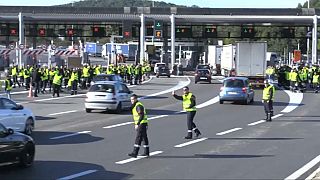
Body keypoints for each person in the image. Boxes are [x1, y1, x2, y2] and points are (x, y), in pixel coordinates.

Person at [128, 94, 150, 158]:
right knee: (144, 137)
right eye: (131, 100)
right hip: (143, 123)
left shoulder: (138, 106)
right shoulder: (135, 105)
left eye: (133, 99)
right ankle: (146, 152)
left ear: (136, 99)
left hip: (141, 124)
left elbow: (141, 115)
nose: (132, 101)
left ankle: (135, 153)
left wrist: (137, 124)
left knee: (138, 138)